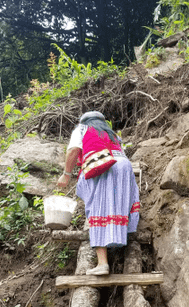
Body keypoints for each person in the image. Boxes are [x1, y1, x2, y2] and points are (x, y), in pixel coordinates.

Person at [57, 111, 140, 276]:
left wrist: (66, 175)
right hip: (124, 167)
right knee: (116, 206)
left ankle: (103, 263)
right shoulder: (112, 134)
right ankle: (118, 239)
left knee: (98, 207)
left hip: (104, 168)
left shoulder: (81, 129)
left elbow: (74, 150)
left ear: (83, 121)